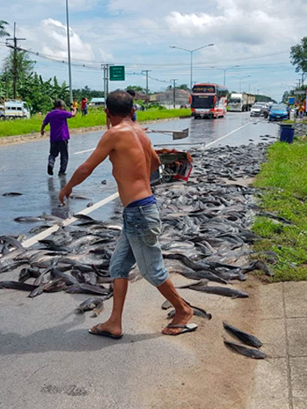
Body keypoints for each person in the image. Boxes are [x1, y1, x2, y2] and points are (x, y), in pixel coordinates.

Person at [58, 90, 195, 338]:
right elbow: (154, 163)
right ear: (132, 110)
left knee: (152, 270)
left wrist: (68, 187)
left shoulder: (114, 133)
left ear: (107, 112)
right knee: (118, 266)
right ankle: (114, 322)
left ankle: (183, 310)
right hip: (139, 210)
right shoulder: (140, 133)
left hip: (139, 213)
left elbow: (87, 167)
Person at [41, 99, 77, 176]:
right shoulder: (62, 113)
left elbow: (44, 123)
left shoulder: (50, 114)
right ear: (61, 106)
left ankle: (51, 163)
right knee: (64, 155)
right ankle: (61, 171)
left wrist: (42, 130)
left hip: (53, 137)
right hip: (63, 137)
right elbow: (73, 114)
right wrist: (74, 109)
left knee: (52, 154)